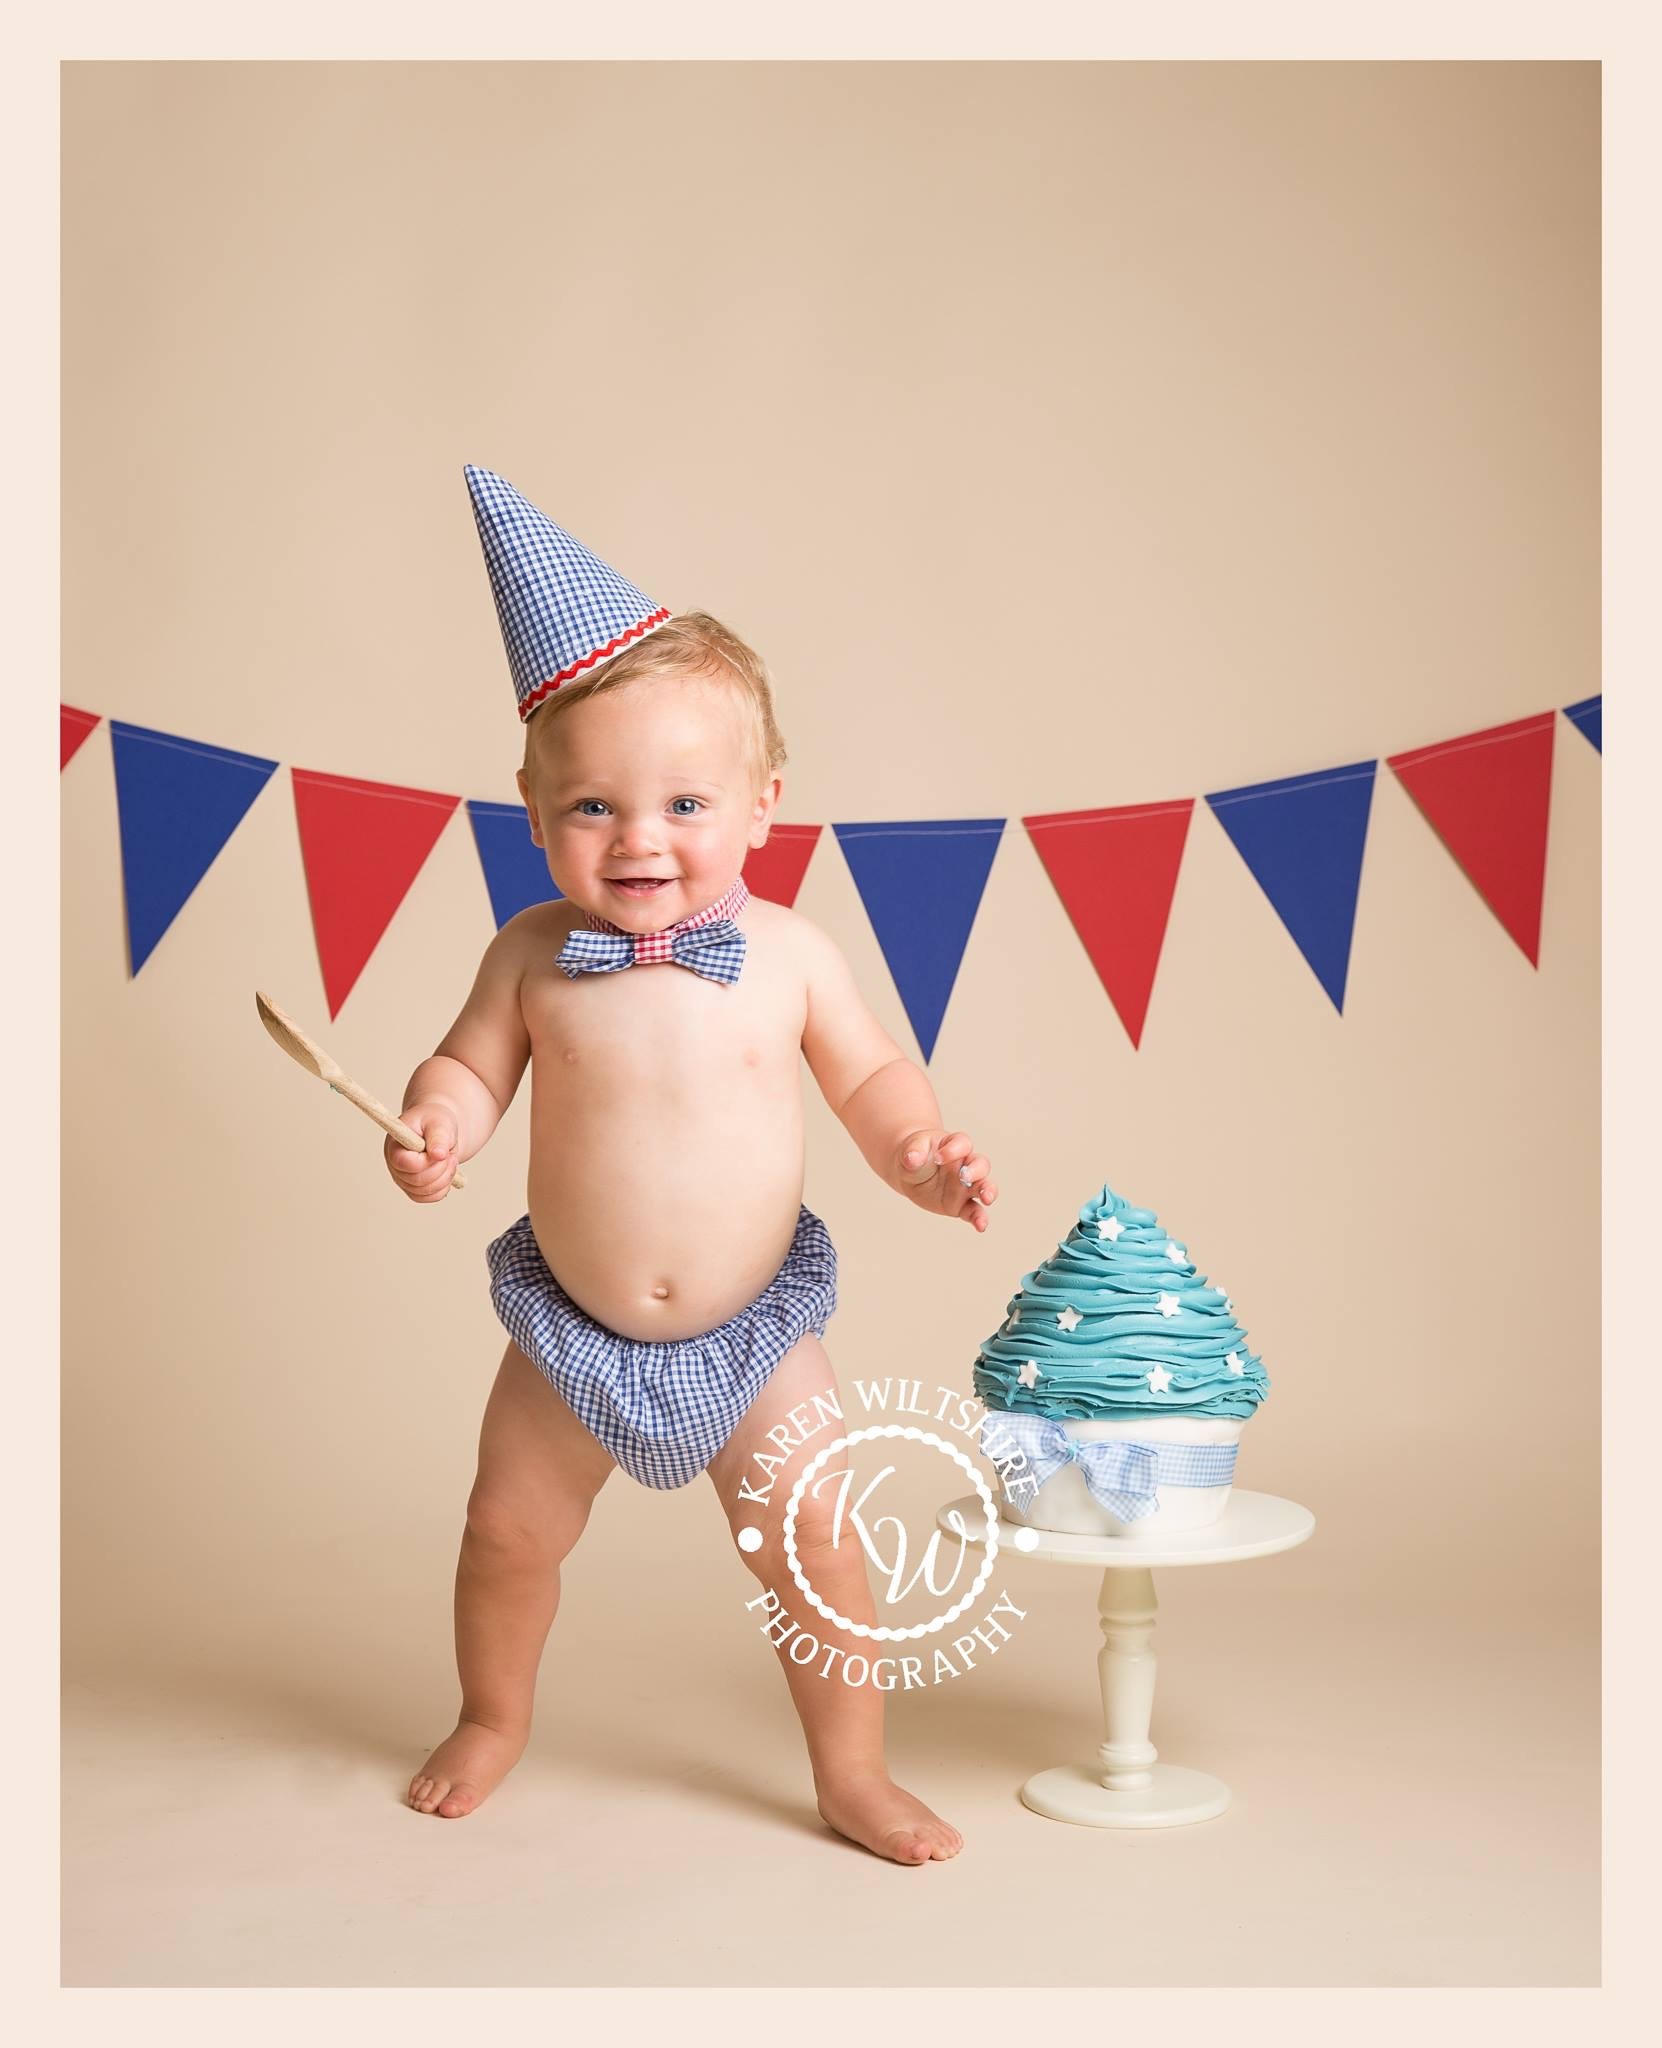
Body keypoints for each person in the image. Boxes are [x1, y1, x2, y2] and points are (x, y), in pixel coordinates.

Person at [387, 470, 997, 1864]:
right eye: (591, 806)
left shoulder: (788, 952)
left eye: (681, 801)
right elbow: (471, 1069)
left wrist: (921, 1153)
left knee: (817, 1541)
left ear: (762, 802)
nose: (639, 838)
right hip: (569, 1325)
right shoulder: (529, 952)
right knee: (502, 1531)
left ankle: (850, 1770)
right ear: (533, 808)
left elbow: (871, 1079)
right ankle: (491, 1716)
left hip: (756, 1327)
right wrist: (436, 1125)